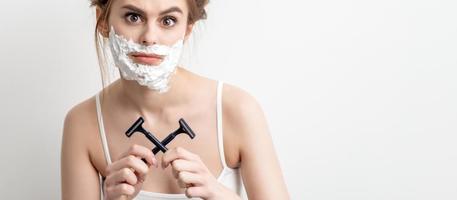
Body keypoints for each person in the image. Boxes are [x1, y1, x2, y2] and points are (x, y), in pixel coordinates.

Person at [61, 0, 289, 199]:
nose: (149, 37)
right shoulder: (83, 123)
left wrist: (220, 195)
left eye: (168, 20)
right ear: (102, 22)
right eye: (133, 17)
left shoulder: (237, 109)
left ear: (187, 29)